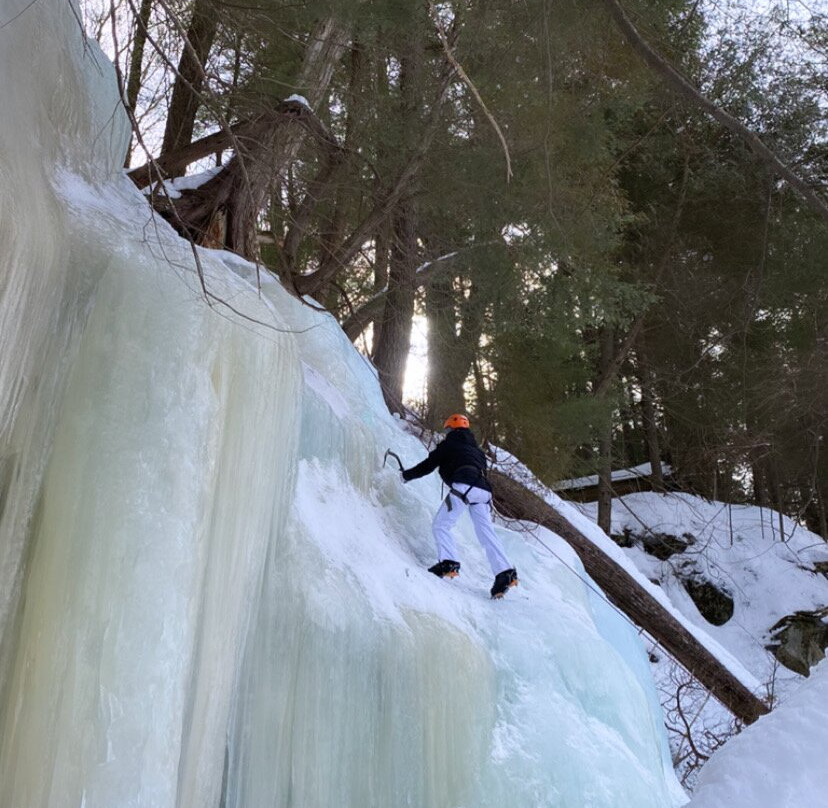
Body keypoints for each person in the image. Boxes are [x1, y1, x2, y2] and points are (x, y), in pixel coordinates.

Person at [402, 414, 519, 599]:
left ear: (451, 430)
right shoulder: (477, 450)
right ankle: (505, 572)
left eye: (447, 430)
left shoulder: (448, 445)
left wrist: (406, 475)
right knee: (486, 532)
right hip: (484, 491)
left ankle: (448, 563)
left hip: (464, 487)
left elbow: (428, 465)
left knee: (441, 524)